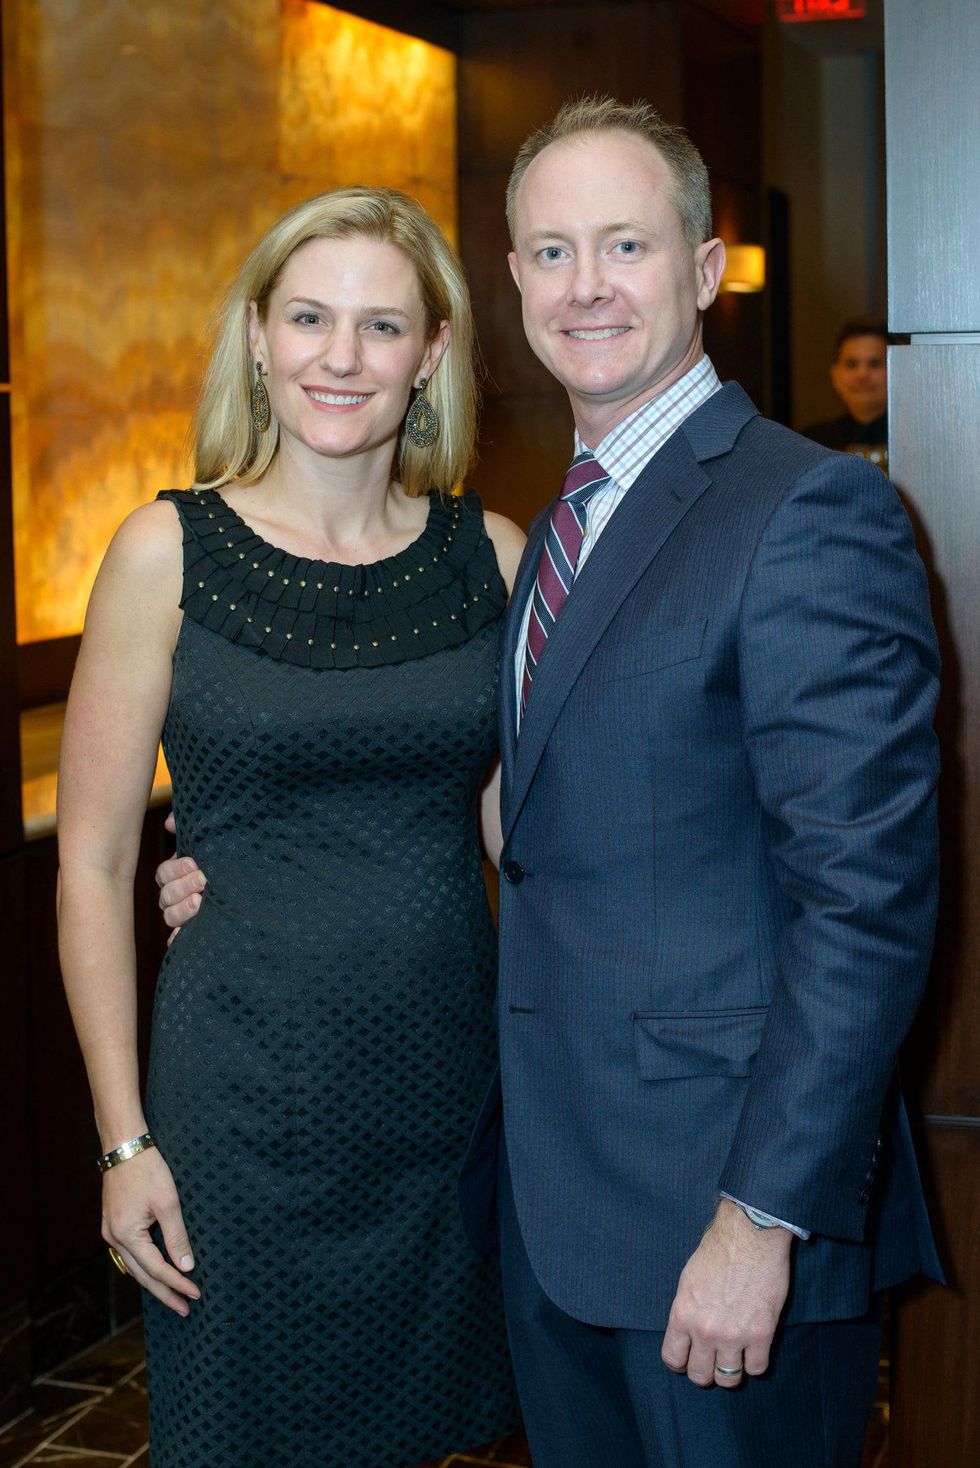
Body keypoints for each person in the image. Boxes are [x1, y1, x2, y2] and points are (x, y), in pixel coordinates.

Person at [160, 102, 941, 1467]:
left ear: (703, 269)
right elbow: (531, 824)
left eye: (627, 245)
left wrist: (764, 1220)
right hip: (556, 1218)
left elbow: (865, 903)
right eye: (552, 250)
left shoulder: (806, 509)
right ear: (513, 281)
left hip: (718, 1229)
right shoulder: (548, 531)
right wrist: (254, 866)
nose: (587, 286)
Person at [57, 186, 525, 1468]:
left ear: (431, 353)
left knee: (431, 1432)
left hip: (443, 1094)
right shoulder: (166, 551)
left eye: (382, 326)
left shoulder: (490, 557)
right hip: (238, 1105)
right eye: (309, 317)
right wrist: (122, 1136)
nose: (341, 356)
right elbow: (96, 863)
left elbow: (521, 842)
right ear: (257, 335)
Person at [802, 316, 889, 470]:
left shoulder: (918, 440)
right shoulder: (810, 444)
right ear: (835, 375)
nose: (862, 374)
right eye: (851, 364)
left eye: (874, 364)